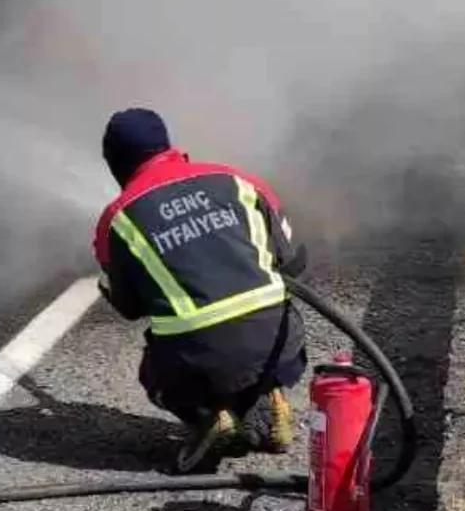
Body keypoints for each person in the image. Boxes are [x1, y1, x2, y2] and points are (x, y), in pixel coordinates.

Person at [94, 108, 307, 473]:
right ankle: (266, 396)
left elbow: (131, 308)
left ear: (115, 162)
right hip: (281, 347)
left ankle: (206, 417)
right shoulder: (237, 180)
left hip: (195, 364)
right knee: (253, 332)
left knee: (158, 367)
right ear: (168, 145)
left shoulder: (117, 219)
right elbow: (292, 260)